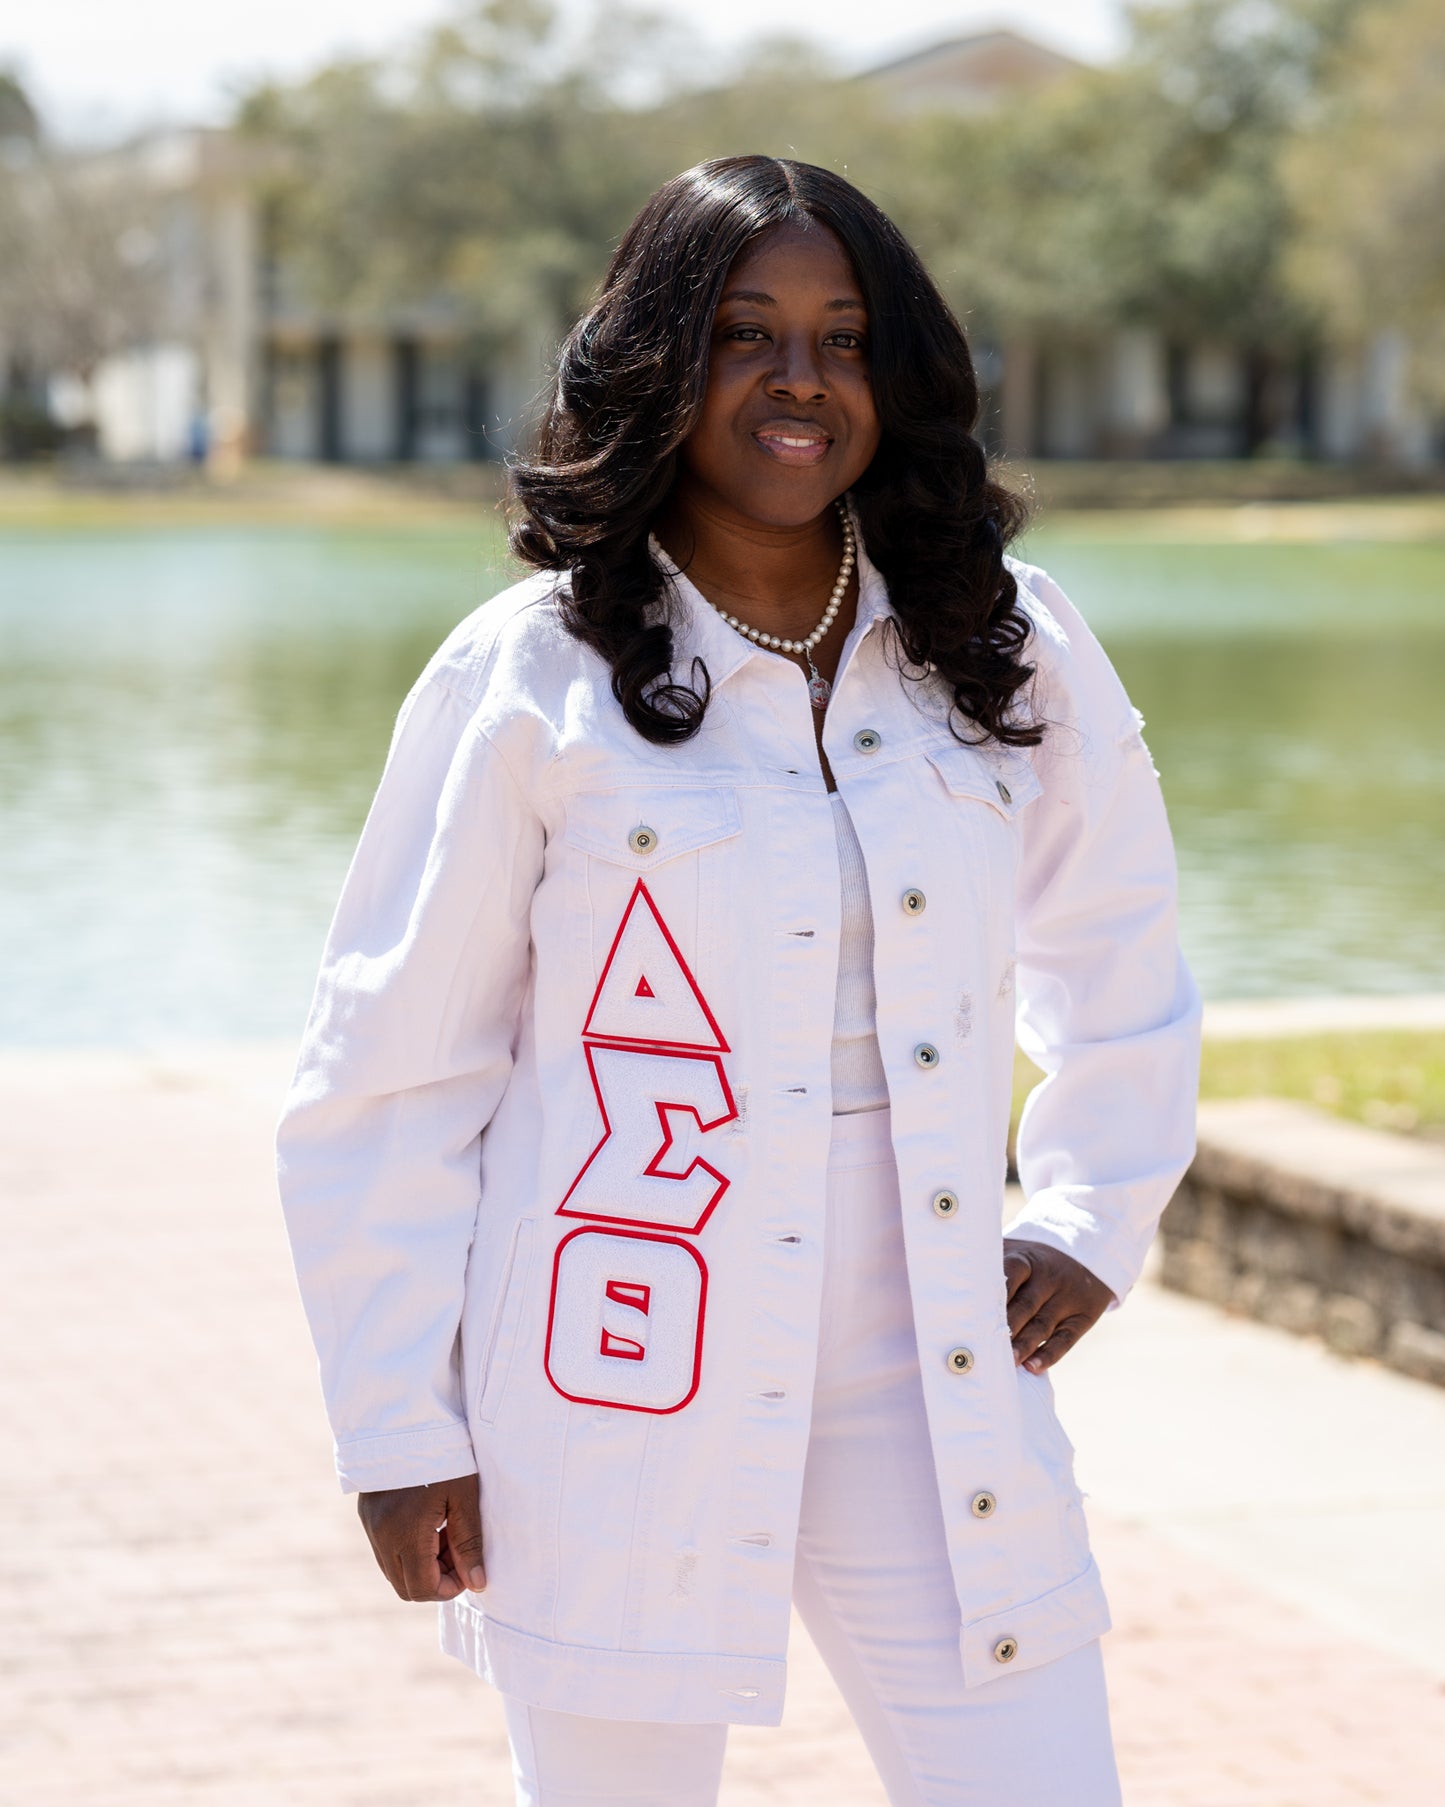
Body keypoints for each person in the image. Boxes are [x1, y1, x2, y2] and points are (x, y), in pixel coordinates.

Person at [277, 155, 1200, 1807]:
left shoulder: (1003, 641)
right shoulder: (531, 675)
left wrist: (1085, 1213)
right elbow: (395, 1072)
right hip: (617, 1366)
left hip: (933, 1368)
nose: (799, 380)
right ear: (656, 363)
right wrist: (399, 1427)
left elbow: (1117, 935)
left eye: (842, 339)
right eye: (743, 335)